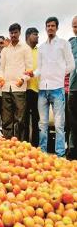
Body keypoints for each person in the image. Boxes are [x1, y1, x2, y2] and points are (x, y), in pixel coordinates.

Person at [32, 17, 75, 157]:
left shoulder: (63, 44)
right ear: (45, 28)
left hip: (57, 88)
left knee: (59, 125)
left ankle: (60, 154)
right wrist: (29, 75)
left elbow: (71, 65)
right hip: (43, 89)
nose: (50, 28)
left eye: (52, 26)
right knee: (42, 124)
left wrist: (59, 74)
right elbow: (39, 68)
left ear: (57, 28)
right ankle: (43, 153)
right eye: (48, 26)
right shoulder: (42, 47)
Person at [0, 23, 32, 140]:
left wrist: (23, 79)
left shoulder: (25, 48)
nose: (13, 35)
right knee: (6, 118)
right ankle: (7, 144)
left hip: (19, 88)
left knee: (20, 119)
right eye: (11, 33)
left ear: (19, 33)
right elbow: (1, 68)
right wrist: (1, 78)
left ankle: (20, 145)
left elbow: (29, 69)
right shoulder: (5, 50)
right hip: (6, 87)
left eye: (15, 32)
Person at [23, 28, 39, 147]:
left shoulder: (40, 51)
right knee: (24, 119)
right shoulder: (22, 49)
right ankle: (24, 144)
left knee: (36, 119)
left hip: (37, 89)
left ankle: (35, 145)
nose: (37, 36)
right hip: (24, 89)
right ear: (28, 36)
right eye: (35, 34)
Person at [67, 16, 77, 159]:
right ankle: (73, 150)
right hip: (74, 88)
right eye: (74, 26)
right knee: (73, 122)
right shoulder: (71, 43)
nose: (76, 28)